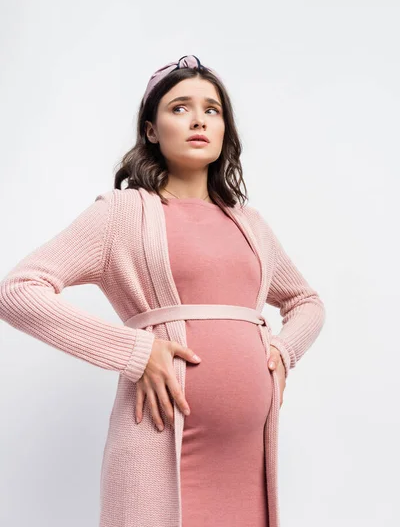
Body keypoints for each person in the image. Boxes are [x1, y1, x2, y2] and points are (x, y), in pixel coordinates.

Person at [0, 54, 326, 527]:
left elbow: (307, 303)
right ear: (152, 130)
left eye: (212, 110)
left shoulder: (250, 224)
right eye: (179, 108)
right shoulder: (122, 213)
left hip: (244, 458)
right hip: (158, 442)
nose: (198, 119)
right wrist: (136, 349)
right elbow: (18, 291)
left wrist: (283, 349)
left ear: (225, 130)